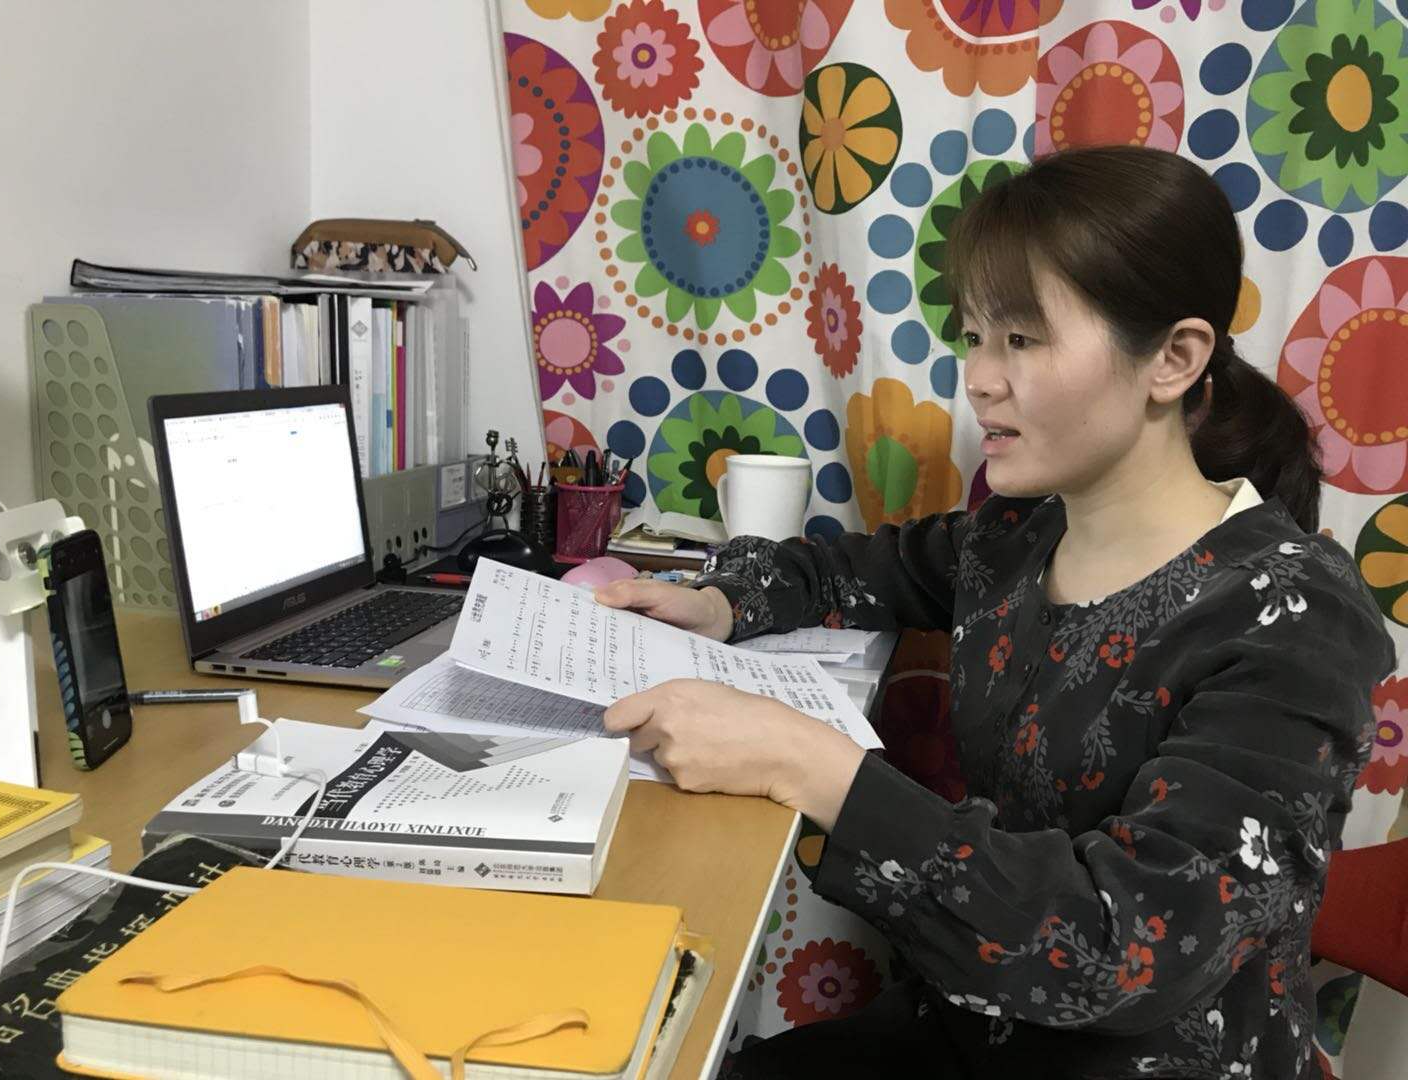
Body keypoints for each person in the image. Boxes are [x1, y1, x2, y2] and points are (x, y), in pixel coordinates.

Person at [594, 146, 1397, 1079]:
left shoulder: (1295, 618)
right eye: (975, 336)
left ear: (1174, 359)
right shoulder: (1019, 536)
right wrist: (720, 601)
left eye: (1021, 339)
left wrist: (806, 764)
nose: (978, 378)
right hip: (977, 1022)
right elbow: (865, 569)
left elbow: (1125, 952)